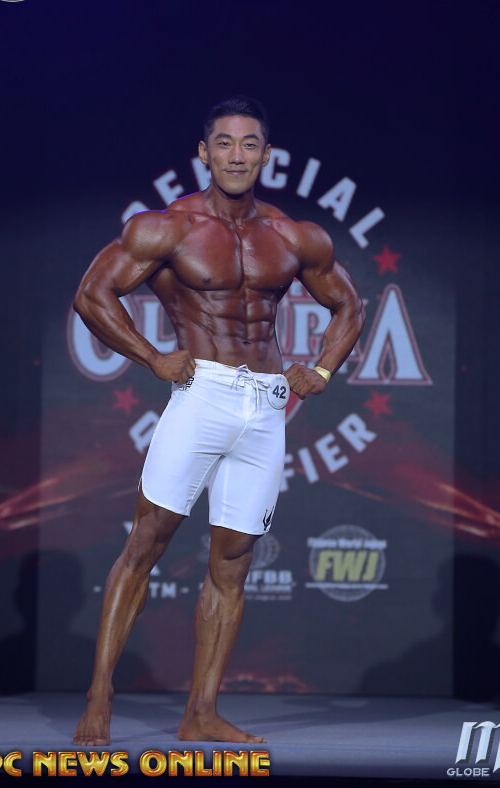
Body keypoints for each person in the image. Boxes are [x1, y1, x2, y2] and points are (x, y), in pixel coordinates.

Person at [72, 95, 365, 746]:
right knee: (147, 543)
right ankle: (100, 695)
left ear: (267, 155)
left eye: (249, 144)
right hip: (201, 393)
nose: (237, 155)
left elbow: (350, 305)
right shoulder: (166, 228)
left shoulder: (294, 236)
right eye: (225, 144)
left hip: (265, 405)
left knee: (233, 561)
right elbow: (92, 295)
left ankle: (200, 712)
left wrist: (321, 370)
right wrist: (152, 356)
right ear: (204, 153)